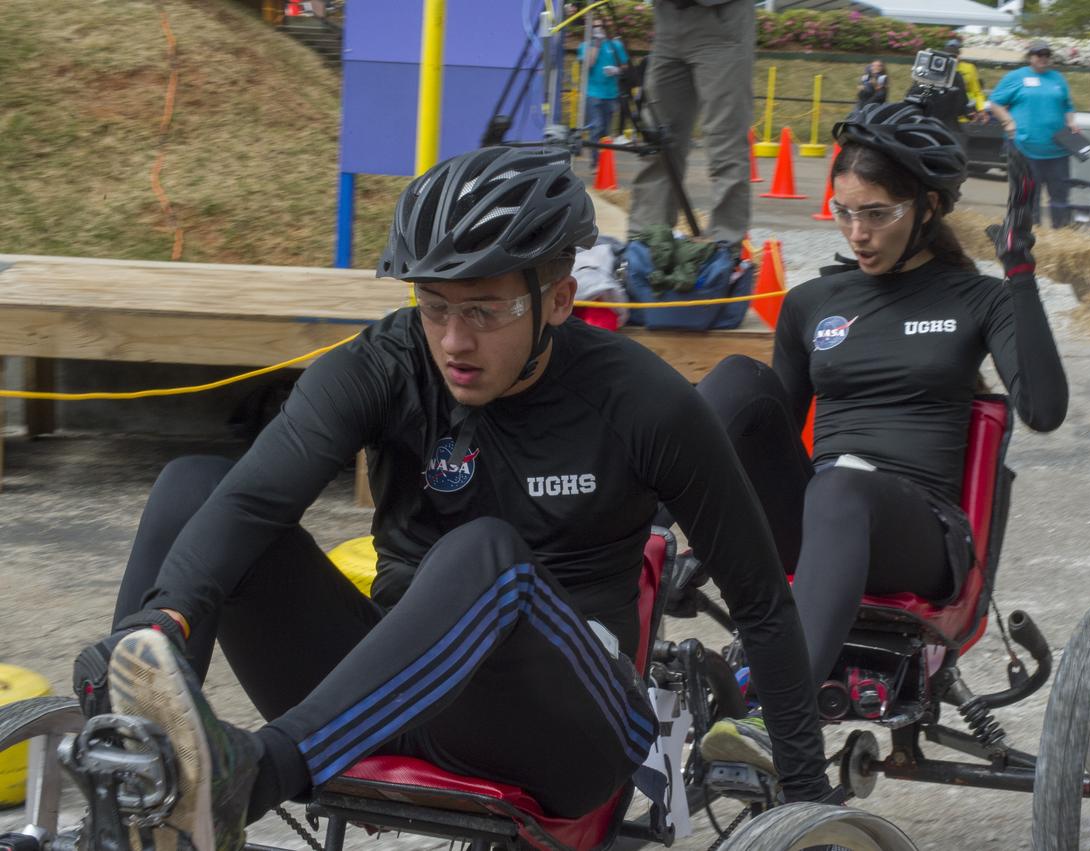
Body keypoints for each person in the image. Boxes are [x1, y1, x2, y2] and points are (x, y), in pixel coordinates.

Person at [71, 147, 834, 849]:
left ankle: (252, 779)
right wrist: (161, 621)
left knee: (483, 552)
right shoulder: (383, 365)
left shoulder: (644, 403)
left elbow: (761, 600)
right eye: (434, 306)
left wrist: (804, 793)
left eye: (483, 309)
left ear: (560, 299)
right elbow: (251, 502)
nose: (453, 341)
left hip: (559, 729)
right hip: (387, 692)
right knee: (193, 488)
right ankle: (134, 772)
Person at [698, 102, 1068, 765]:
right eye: (843, 212)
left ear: (925, 207)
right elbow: (767, 432)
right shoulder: (814, 303)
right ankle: (635, 551)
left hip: (917, 532)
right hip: (820, 516)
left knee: (840, 487)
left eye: (876, 213)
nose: (856, 232)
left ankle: (776, 720)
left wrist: (1017, 272)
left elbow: (1042, 408)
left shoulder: (972, 299)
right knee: (733, 380)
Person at [627, 0, 755, 245]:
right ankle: (645, 242)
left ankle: (725, 245)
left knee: (724, 142)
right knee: (657, 141)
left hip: (720, 22)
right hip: (668, 21)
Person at [986, 40, 1079, 228]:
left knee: (1060, 195)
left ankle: (1061, 234)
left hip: (1058, 149)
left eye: (1046, 55)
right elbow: (995, 103)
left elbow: (1067, 105)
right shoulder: (1015, 77)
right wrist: (1008, 121)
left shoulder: (1058, 78)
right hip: (1024, 147)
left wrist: (1071, 122)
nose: (1043, 58)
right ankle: (1030, 235)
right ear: (1030, 57)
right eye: (1039, 55)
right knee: (1028, 196)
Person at [577, 20, 629, 165]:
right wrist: (596, 44)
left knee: (606, 130)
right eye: (594, 26)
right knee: (596, 127)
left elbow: (625, 65)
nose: (598, 29)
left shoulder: (616, 45)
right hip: (593, 93)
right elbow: (589, 64)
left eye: (601, 26)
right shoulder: (585, 46)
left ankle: (604, 163)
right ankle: (595, 162)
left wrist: (616, 70)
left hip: (611, 94)